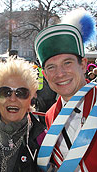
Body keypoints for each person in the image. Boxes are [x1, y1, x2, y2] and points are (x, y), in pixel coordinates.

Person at [34, 8, 97, 171]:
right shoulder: (50, 115)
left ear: (83, 65)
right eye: (51, 67)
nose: (60, 73)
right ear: (45, 75)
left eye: (67, 63)